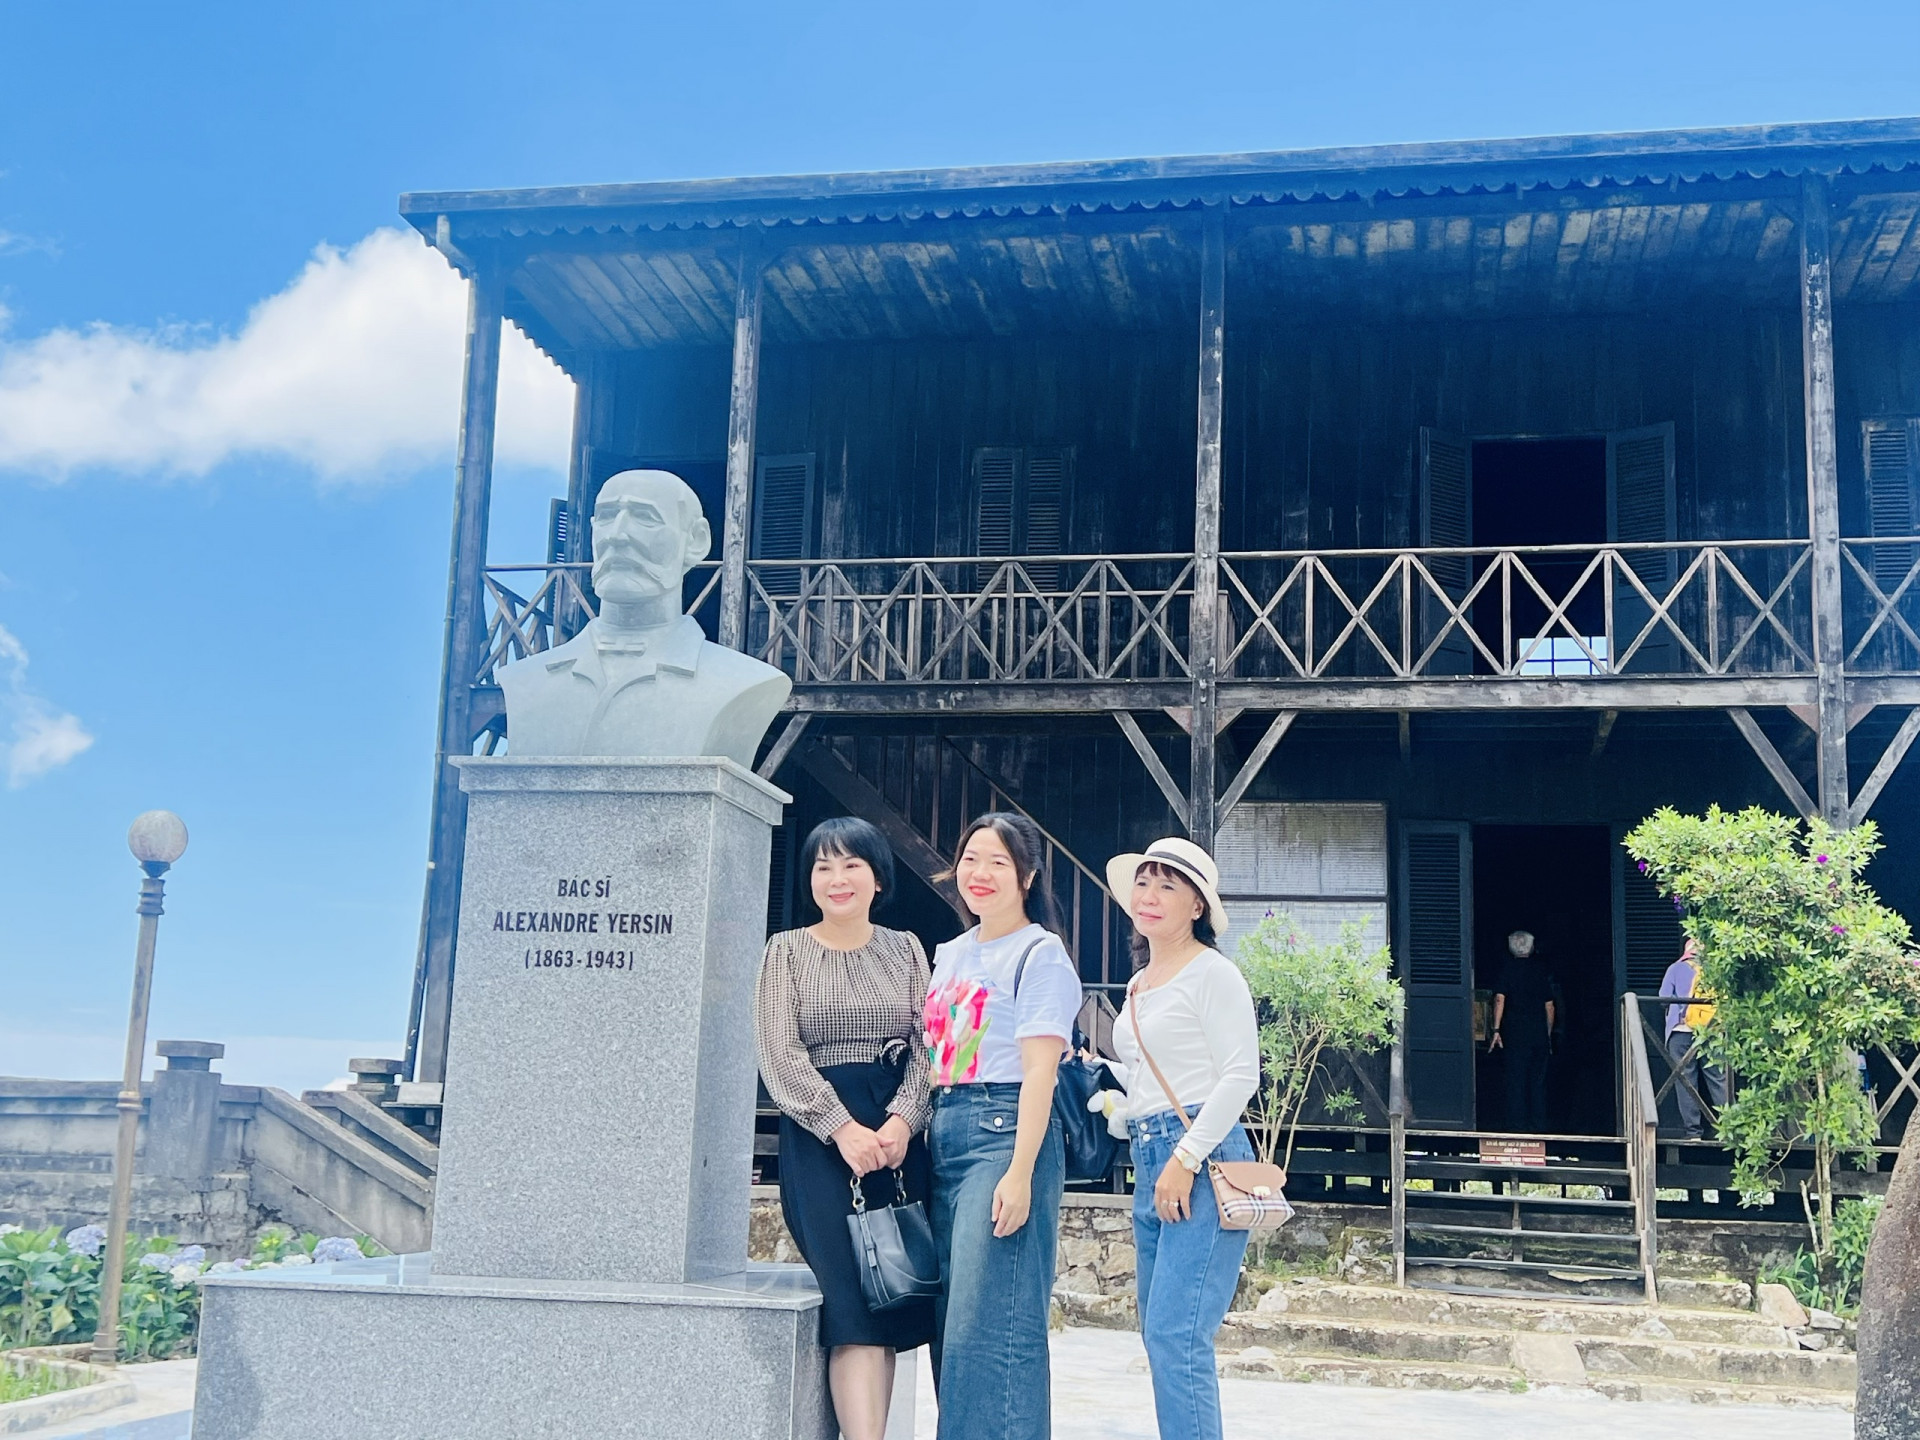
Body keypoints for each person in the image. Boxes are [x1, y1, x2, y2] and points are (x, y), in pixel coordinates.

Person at [753, 817, 935, 1440]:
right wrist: (841, 1127)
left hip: (896, 1135)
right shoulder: (786, 951)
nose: (837, 878)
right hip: (819, 1142)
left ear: (877, 877)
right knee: (851, 1303)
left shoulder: (908, 948)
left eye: (851, 864)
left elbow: (930, 1045)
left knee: (890, 1298)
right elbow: (779, 1052)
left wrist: (905, 1119)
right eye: (823, 866)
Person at [923, 813, 1080, 1440]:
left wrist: (1019, 1174)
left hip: (1006, 1131)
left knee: (991, 1329)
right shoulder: (951, 953)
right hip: (947, 1130)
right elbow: (936, 1059)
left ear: (1027, 876)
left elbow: (1041, 1072)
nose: (979, 874)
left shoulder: (1040, 954)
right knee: (952, 1325)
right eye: (969, 859)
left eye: (996, 862)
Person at [1100, 838, 1259, 1440]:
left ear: (1197, 906)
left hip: (1198, 1155)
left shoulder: (1214, 973)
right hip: (1150, 1151)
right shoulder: (1140, 984)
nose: (1150, 896)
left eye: (1168, 886)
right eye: (1144, 882)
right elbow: (1148, 1074)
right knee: (1159, 1331)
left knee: (1175, 1332)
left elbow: (1240, 1075)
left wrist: (1184, 1158)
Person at [1659, 939, 1728, 1139]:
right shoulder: (1715, 970)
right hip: (1711, 1032)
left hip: (1681, 1032)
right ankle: (1728, 1129)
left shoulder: (1675, 969)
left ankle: (1693, 1132)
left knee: (1686, 1081)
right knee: (1718, 1079)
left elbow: (1664, 998)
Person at [1490, 930, 1555, 1132]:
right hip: (1538, 1035)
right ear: (1531, 947)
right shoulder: (1540, 971)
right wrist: (1548, 1034)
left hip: (1514, 1034)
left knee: (1515, 1080)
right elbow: (1550, 1006)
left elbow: (1500, 999)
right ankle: (1538, 1126)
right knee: (1538, 1082)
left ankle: (1515, 1127)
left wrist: (1496, 1029)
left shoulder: (1506, 970)